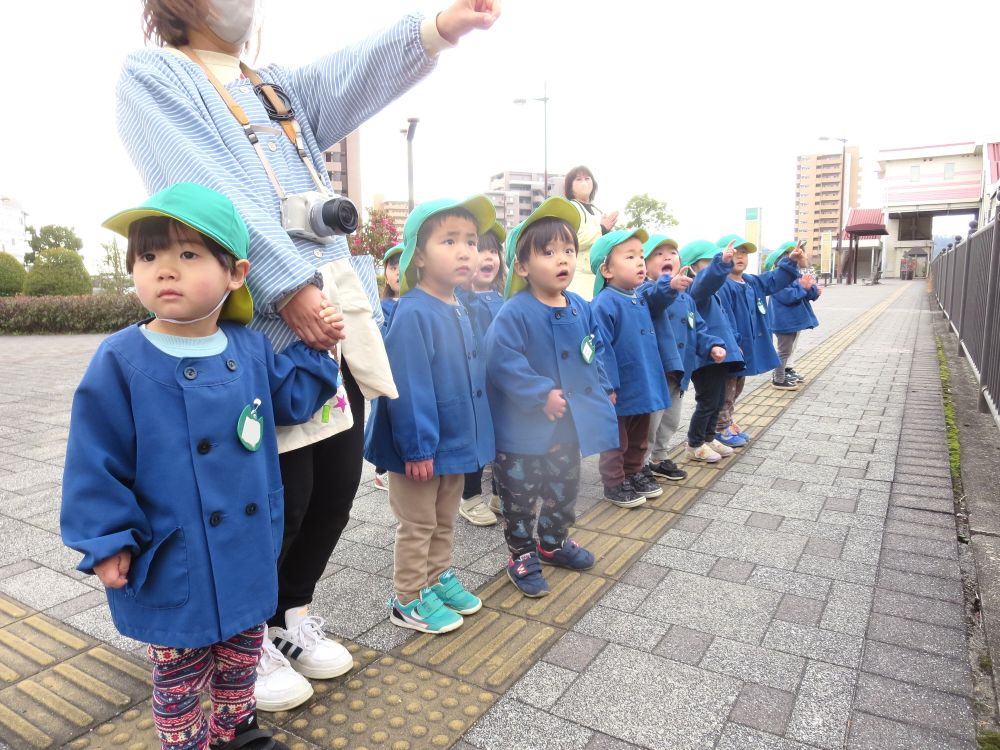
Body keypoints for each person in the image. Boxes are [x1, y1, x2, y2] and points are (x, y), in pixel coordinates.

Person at [122, 0, 500, 708]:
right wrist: (285, 282)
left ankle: (292, 613)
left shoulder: (272, 86)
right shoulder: (157, 76)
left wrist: (437, 27)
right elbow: (210, 186)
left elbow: (349, 74)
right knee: (277, 499)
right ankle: (246, 634)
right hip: (264, 326)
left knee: (331, 491)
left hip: (331, 322)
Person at [60, 184, 344, 750]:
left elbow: (291, 401)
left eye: (188, 255)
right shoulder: (121, 358)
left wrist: (320, 348)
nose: (166, 269)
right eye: (149, 257)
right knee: (178, 675)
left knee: (242, 660)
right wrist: (107, 537)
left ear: (236, 273)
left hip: (245, 553)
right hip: (170, 556)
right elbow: (95, 457)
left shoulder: (249, 348)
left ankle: (239, 735)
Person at [364, 196, 496, 633]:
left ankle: (437, 577)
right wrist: (417, 447)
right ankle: (406, 597)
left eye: (472, 242)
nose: (466, 251)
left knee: (444, 518)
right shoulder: (413, 311)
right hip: (418, 446)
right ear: (418, 255)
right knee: (418, 523)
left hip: (454, 440)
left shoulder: (459, 306)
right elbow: (410, 388)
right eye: (450, 240)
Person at [485, 197, 618, 596]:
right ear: (523, 267)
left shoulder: (580, 306)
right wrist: (540, 392)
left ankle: (553, 541)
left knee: (565, 487)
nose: (562, 259)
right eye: (548, 252)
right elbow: (501, 360)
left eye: (568, 250)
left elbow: (596, 349)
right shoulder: (515, 311)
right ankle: (522, 555)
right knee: (520, 498)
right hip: (522, 435)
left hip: (568, 428)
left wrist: (605, 386)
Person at [590, 228, 672, 508]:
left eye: (640, 256)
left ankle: (634, 472)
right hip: (619, 387)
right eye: (630, 256)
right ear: (606, 270)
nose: (640, 262)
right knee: (616, 438)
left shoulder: (638, 296)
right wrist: (606, 386)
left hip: (643, 382)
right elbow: (600, 350)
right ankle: (614, 482)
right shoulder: (604, 302)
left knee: (639, 435)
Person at [640, 235, 725, 482]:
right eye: (658, 253)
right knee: (650, 423)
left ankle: (659, 457)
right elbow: (656, 300)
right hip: (656, 372)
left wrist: (712, 346)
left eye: (672, 252)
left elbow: (698, 328)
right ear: (644, 265)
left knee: (670, 419)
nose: (667, 256)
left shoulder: (686, 298)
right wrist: (668, 285)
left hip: (679, 372)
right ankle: (641, 463)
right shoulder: (645, 291)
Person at [714, 234, 802, 445]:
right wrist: (732, 343)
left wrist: (790, 261)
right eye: (736, 252)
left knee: (737, 387)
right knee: (725, 390)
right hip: (730, 350)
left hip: (746, 348)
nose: (741, 256)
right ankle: (720, 427)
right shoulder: (721, 285)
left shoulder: (751, 281)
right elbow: (722, 317)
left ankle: (727, 421)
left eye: (744, 252)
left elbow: (773, 280)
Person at [455, 222, 507, 526]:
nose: (488, 257)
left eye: (493, 251)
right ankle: (470, 497)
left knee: (504, 439)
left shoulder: (502, 297)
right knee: (475, 442)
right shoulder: (460, 300)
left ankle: (501, 492)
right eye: (480, 250)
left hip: (501, 385)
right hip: (474, 385)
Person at [679, 240, 744, 463]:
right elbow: (705, 282)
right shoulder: (693, 290)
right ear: (691, 268)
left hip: (720, 355)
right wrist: (722, 262)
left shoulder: (713, 294)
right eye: (709, 262)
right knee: (707, 401)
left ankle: (708, 437)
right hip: (704, 356)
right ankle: (695, 443)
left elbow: (725, 323)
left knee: (717, 400)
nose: (715, 265)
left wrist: (734, 344)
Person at [764, 241, 821, 389]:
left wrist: (812, 290)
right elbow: (788, 297)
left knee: (789, 349)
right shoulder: (777, 280)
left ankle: (785, 372)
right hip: (784, 322)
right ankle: (778, 378)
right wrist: (803, 287)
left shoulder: (794, 277)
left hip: (793, 321)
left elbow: (805, 293)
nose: (803, 255)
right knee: (784, 350)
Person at [373, 243, 403, 492]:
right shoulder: (382, 305)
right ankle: (381, 469)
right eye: (393, 267)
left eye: (404, 265)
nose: (398, 271)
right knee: (385, 418)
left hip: (407, 375)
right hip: (387, 373)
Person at [564, 166, 618, 297]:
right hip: (579, 279)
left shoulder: (598, 211)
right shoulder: (570, 208)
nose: (584, 182)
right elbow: (572, 240)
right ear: (570, 186)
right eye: (578, 179)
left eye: (587, 178)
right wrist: (603, 229)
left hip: (601, 277)